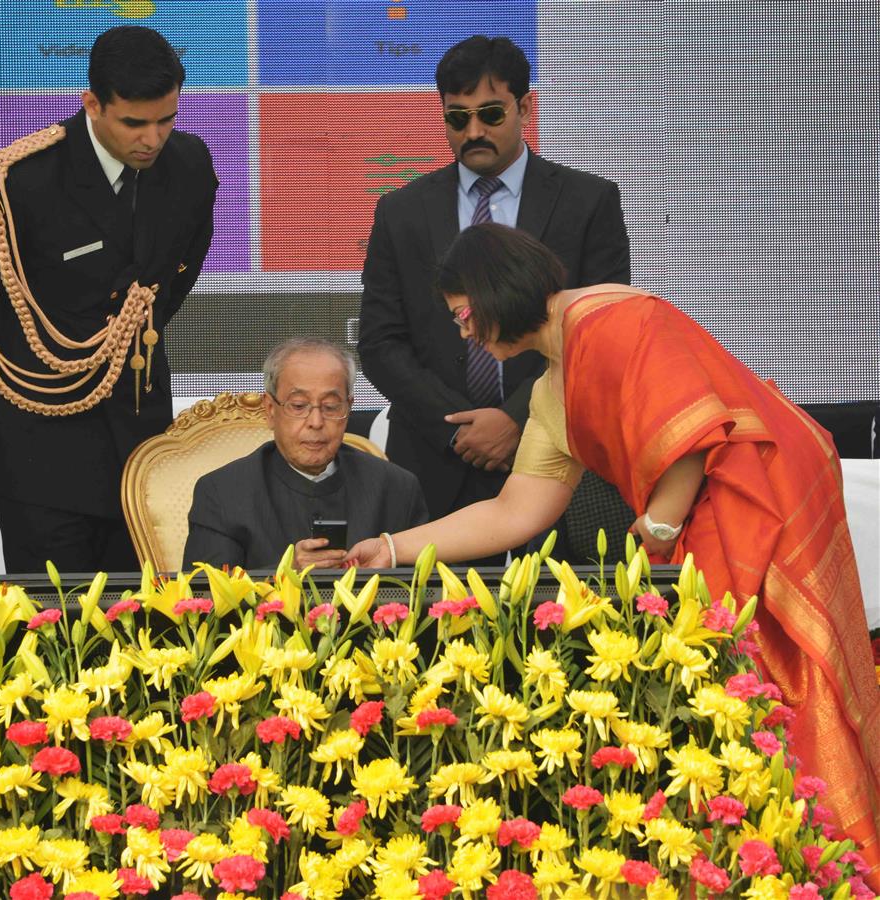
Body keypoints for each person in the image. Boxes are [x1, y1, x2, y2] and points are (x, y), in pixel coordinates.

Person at [347, 223, 880, 875]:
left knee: (764, 674)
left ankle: (824, 857)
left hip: (758, 487)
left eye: (463, 316)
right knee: (726, 680)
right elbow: (514, 510)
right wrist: (393, 548)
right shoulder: (548, 391)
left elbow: (691, 431)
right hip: (700, 512)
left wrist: (657, 529)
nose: (464, 334)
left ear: (493, 290)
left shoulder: (612, 315)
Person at [0, 25, 218, 574]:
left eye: (166, 119)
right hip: (37, 442)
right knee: (51, 627)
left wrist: (118, 341)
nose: (152, 138)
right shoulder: (21, 179)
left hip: (138, 437)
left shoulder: (191, 165)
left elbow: (172, 279)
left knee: (139, 626)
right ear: (92, 104)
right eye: (134, 122)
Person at [358, 34, 632, 563]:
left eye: (489, 113)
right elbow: (380, 341)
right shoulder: (401, 211)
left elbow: (599, 333)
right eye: (457, 118)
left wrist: (515, 419)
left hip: (560, 456)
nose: (474, 131)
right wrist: (463, 428)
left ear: (526, 106)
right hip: (434, 463)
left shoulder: (587, 202)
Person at [182, 338, 428, 570]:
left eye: (331, 407)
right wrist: (287, 573)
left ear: (348, 408)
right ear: (270, 410)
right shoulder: (221, 493)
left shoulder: (397, 488)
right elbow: (204, 601)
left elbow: (432, 594)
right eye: (299, 406)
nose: (316, 421)